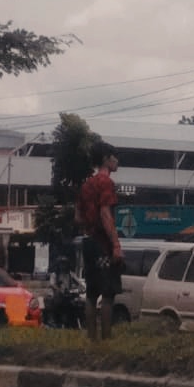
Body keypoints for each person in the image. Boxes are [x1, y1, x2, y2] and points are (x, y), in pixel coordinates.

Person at [75, 142, 123, 341]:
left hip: (88, 242)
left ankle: (91, 339)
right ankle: (106, 339)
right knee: (108, 293)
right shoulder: (106, 183)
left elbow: (77, 217)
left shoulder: (86, 184)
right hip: (103, 244)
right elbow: (105, 213)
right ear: (106, 159)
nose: (117, 161)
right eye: (114, 156)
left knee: (91, 293)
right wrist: (115, 244)